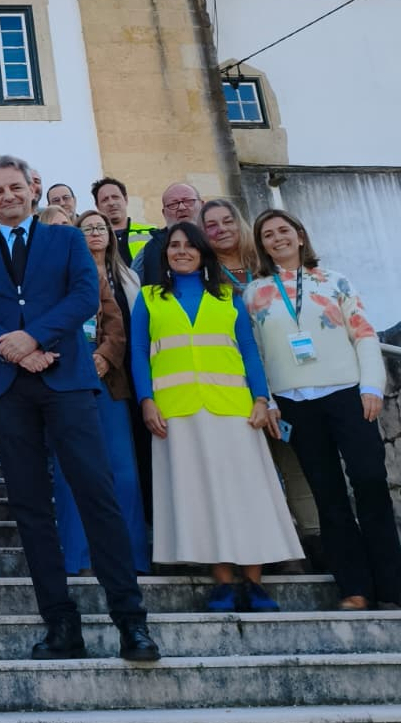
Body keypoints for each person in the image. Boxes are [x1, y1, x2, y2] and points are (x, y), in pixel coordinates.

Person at [0, 154, 158, 661]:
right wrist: (14, 348)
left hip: (66, 381)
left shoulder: (67, 239)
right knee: (29, 508)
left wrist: (33, 337)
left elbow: (85, 296)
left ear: (31, 189)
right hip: (7, 388)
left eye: (14, 187)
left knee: (97, 495)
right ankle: (60, 624)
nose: (7, 196)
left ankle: (130, 622)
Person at [132, 221, 303, 611]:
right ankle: (223, 581)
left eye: (189, 246)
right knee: (201, 496)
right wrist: (146, 400)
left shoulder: (228, 297)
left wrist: (261, 398)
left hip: (234, 410)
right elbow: (139, 352)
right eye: (173, 246)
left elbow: (247, 350)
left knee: (247, 494)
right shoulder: (149, 298)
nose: (181, 251)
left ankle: (255, 582)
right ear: (165, 255)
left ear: (202, 253)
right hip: (177, 412)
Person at [246, 209, 401, 611]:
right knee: (327, 494)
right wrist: (269, 400)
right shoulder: (255, 292)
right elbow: (256, 354)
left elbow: (364, 334)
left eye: (284, 231)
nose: (277, 238)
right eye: (268, 234)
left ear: (300, 236)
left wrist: (371, 385)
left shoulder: (335, 281)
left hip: (348, 393)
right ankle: (354, 588)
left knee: (369, 482)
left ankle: (392, 583)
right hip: (295, 402)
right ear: (261, 245)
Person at [204, 199, 322, 556]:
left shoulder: (266, 266)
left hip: (287, 373)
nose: (221, 229)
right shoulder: (205, 275)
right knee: (254, 467)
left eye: (227, 220)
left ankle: (315, 540)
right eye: (211, 225)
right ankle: (273, 547)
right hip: (235, 380)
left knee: (295, 459)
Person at [51, 212, 149, 576]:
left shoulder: (93, 275)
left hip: (106, 383)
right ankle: (78, 557)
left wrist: (105, 357)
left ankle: (131, 555)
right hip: (63, 383)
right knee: (70, 472)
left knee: (122, 471)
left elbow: (114, 322)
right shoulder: (39, 279)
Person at [76, 209, 152, 525]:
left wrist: (108, 355)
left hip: (127, 369)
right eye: (87, 228)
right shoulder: (71, 272)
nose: (95, 232)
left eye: (100, 227)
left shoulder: (129, 276)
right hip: (87, 368)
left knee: (131, 457)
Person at [133, 181, 204, 284]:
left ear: (202, 205)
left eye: (188, 201)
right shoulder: (149, 251)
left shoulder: (219, 240)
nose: (181, 207)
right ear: (164, 213)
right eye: (173, 204)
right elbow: (133, 291)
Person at [91, 177, 156, 266]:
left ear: (126, 200)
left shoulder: (152, 233)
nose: (111, 203)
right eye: (105, 199)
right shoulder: (93, 238)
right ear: (97, 206)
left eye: (115, 197)